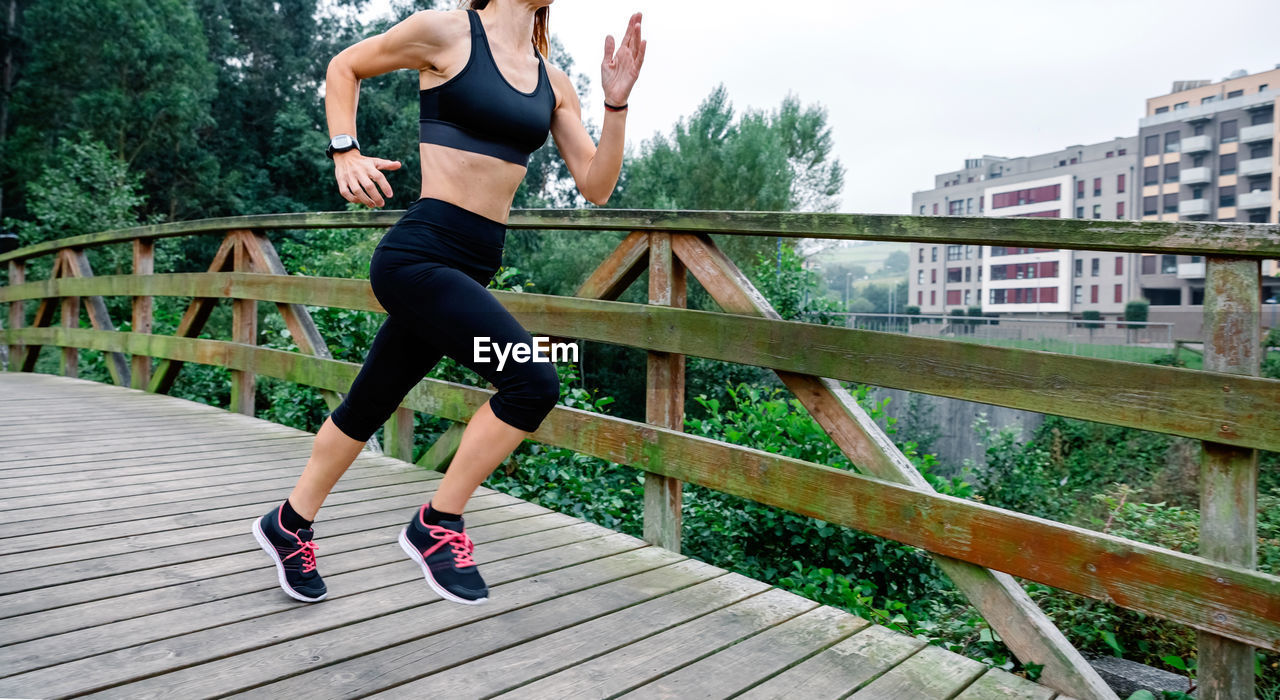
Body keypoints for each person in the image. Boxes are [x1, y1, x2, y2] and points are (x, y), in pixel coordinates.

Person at [251, 0, 645, 605]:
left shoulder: (552, 80)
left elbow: (595, 184)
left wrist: (615, 104)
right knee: (532, 381)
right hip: (419, 257)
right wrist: (344, 150)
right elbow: (344, 66)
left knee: (370, 400)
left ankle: (289, 523)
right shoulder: (446, 30)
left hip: (471, 267)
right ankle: (438, 523)